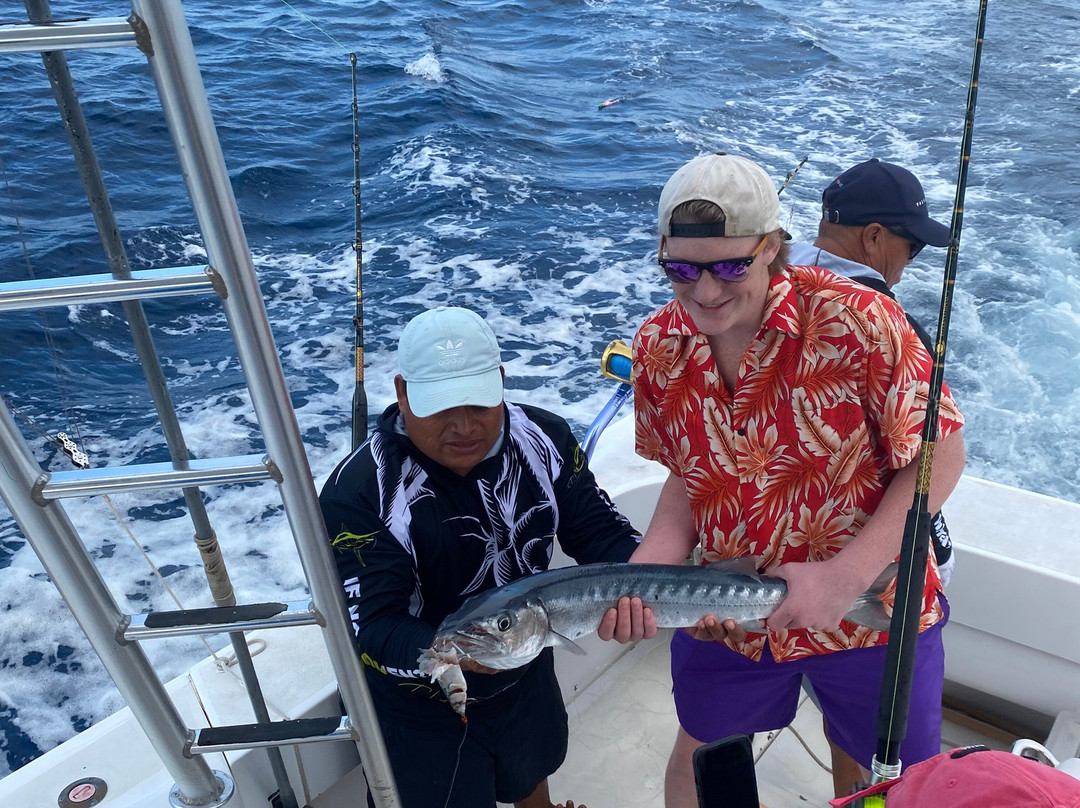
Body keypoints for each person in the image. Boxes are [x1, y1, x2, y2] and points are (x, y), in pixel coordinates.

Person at [628, 152, 967, 805]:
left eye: (731, 266)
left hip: (872, 612)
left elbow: (940, 453)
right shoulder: (656, 345)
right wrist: (647, 573)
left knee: (899, 782)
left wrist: (845, 577)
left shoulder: (861, 321)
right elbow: (686, 474)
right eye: (681, 269)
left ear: (775, 248)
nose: (705, 291)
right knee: (701, 759)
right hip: (725, 614)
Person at [319, 305, 643, 808]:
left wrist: (668, 586)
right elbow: (371, 628)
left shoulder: (546, 438)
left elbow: (603, 537)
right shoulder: (360, 494)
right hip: (418, 700)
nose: (463, 426)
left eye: (479, 404)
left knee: (531, 769)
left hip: (523, 654)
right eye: (441, 407)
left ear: (500, 380)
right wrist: (449, 653)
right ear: (402, 393)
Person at [788, 158, 958, 794]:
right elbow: (937, 451)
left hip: (771, 568)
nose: (907, 261)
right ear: (874, 237)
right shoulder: (888, 322)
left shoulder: (753, 287)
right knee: (899, 751)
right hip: (865, 573)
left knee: (830, 696)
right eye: (910, 246)